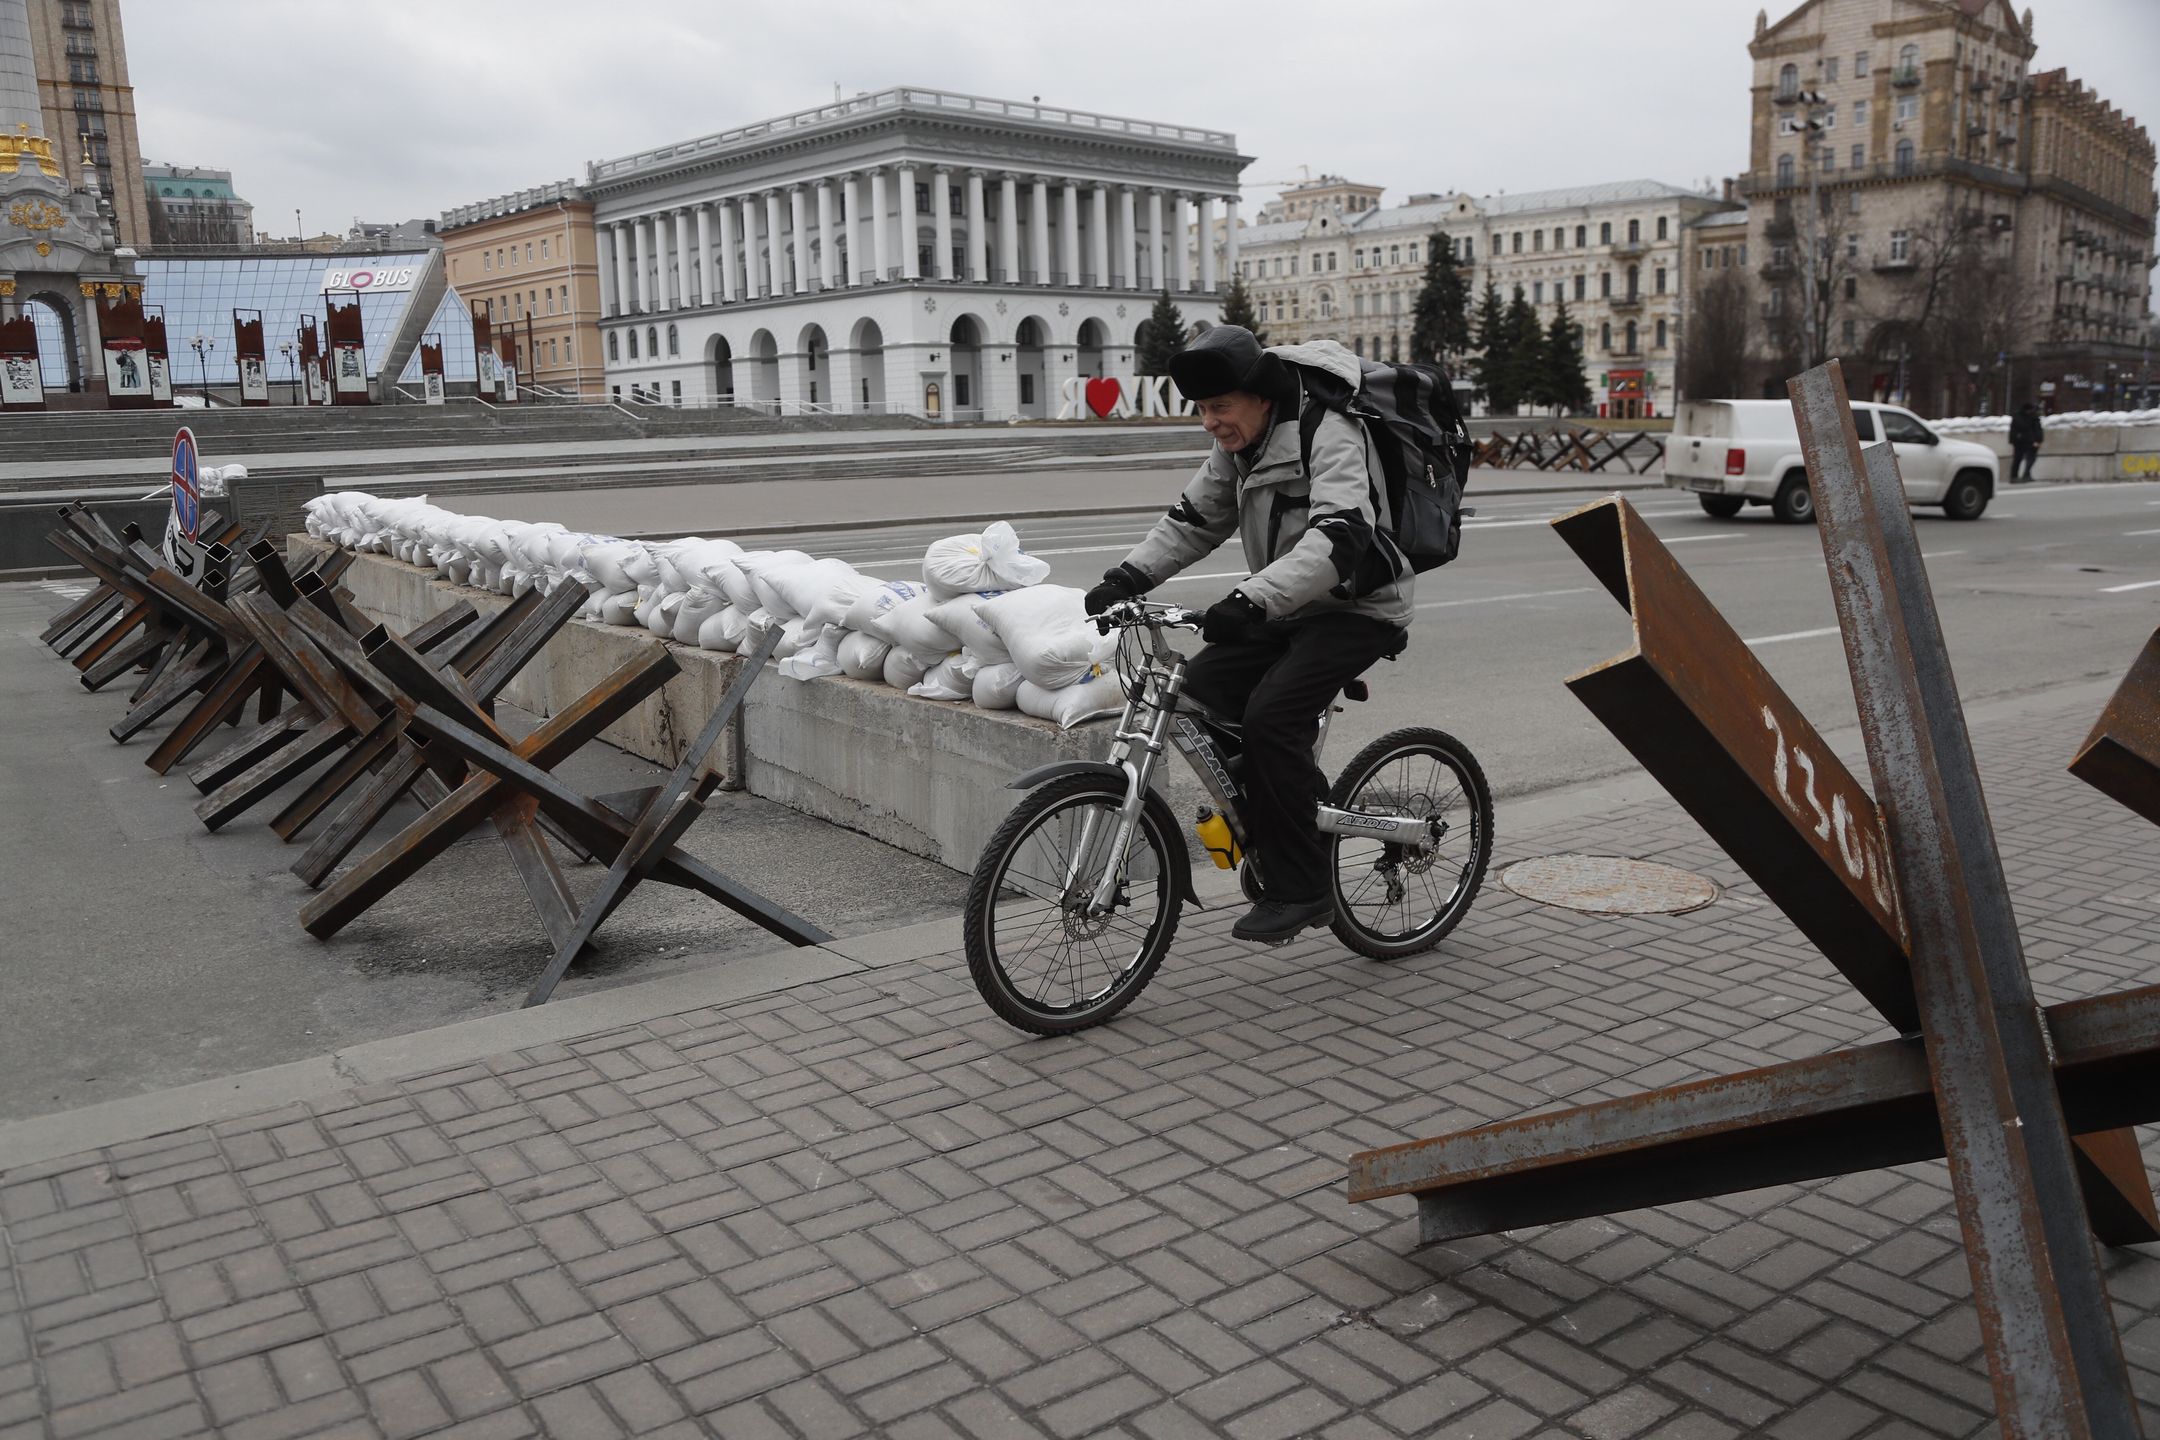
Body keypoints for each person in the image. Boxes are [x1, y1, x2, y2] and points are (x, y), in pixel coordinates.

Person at [1084, 326, 1414, 944]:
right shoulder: (1240, 445)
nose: (1210, 422)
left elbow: (1341, 537)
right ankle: (1286, 812)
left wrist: (1248, 599)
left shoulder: (1328, 431)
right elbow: (1193, 519)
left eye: (1220, 407)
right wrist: (1128, 576)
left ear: (1261, 397)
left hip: (1357, 607)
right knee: (1198, 694)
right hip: (1283, 607)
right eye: (1202, 410)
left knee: (1269, 719)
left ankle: (1304, 887)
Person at [2009, 402, 2043, 483]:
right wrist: (2014, 441)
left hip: (2030, 441)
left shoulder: (2033, 417)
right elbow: (2022, 428)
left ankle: (2026, 474)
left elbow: (2037, 429)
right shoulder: (2020, 417)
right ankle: (2014, 476)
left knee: (2031, 458)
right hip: (2021, 441)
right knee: (2018, 459)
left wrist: (2038, 440)